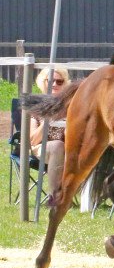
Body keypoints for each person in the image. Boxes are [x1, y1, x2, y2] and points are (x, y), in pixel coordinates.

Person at [30, 67, 71, 197]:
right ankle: (55, 195)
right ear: (43, 82)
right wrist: (48, 121)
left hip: (69, 150)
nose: (54, 84)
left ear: (65, 84)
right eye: (50, 81)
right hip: (40, 149)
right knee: (57, 146)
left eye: (59, 82)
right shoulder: (35, 105)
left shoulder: (69, 106)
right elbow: (32, 140)